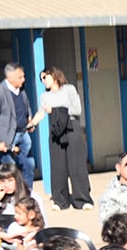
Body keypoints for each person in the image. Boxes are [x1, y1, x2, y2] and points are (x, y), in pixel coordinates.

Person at [33, 67, 92, 210]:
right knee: (58, 167)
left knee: (77, 165)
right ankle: (60, 201)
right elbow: (41, 113)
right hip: (56, 130)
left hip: (72, 127)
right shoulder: (44, 96)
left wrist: (55, 110)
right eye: (41, 79)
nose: (43, 81)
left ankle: (83, 200)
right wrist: (31, 123)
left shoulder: (69, 89)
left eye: (45, 77)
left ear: (53, 75)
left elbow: (77, 109)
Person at [0, 62, 37, 183]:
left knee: (29, 166)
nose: (23, 79)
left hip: (23, 134)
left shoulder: (21, 90)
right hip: (8, 137)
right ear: (10, 78)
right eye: (20, 77)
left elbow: (26, 105)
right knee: (9, 171)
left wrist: (29, 118)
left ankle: (27, 197)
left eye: (23, 76)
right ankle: (10, 199)